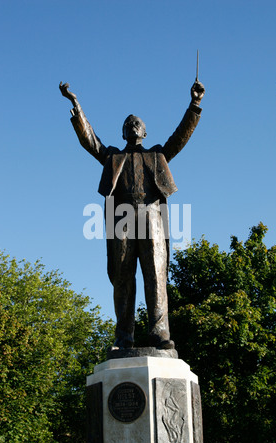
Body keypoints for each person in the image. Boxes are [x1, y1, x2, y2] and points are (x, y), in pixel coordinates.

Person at [59, 79, 205, 349]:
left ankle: (160, 334)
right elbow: (91, 141)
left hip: (151, 217)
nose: (132, 125)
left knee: (155, 275)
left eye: (137, 123)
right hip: (122, 218)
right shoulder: (113, 157)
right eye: (128, 124)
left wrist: (194, 105)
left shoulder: (157, 155)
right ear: (123, 133)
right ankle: (124, 337)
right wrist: (76, 107)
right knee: (122, 277)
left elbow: (180, 137)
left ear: (145, 133)